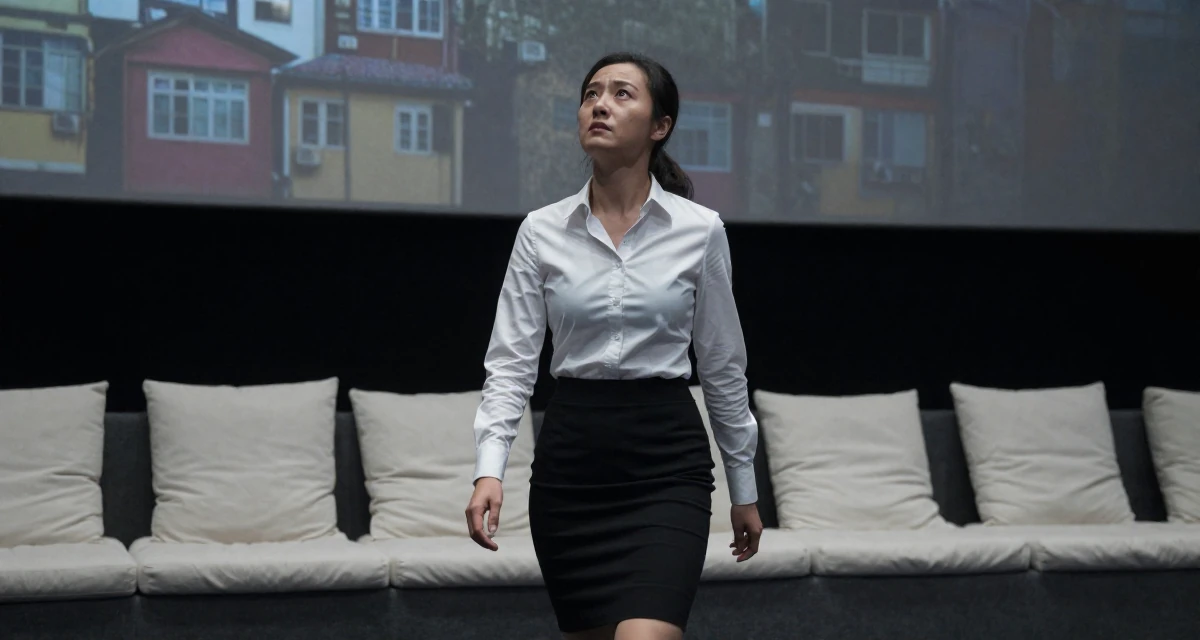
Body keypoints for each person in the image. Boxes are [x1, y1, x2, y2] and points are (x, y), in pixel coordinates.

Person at [465, 52, 762, 640]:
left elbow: (724, 365)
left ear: (660, 125)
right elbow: (511, 363)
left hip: (665, 461)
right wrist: (488, 470)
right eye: (591, 93)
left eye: (622, 94)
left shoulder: (700, 230)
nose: (600, 104)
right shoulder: (540, 230)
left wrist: (744, 486)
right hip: (572, 462)